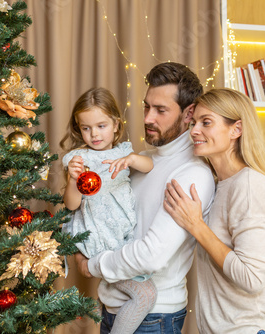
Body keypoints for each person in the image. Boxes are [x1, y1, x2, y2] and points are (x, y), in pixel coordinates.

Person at [75, 62, 216, 333]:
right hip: (113, 306)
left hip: (153, 317)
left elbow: (152, 255)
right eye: (146, 106)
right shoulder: (143, 159)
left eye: (161, 110)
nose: (148, 118)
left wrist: (91, 265)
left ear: (189, 114)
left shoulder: (191, 174)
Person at [163, 88, 265, 333]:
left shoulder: (249, 185)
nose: (194, 130)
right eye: (194, 122)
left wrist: (197, 226)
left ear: (236, 130)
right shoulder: (220, 183)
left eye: (206, 123)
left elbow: (252, 278)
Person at [60, 87, 157, 334]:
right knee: (146, 294)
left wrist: (133, 160)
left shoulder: (125, 152)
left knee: (128, 295)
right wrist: (73, 180)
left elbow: (149, 166)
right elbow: (71, 205)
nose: (94, 134)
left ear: (116, 124)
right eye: (86, 128)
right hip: (98, 237)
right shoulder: (77, 159)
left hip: (122, 236)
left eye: (101, 126)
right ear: (78, 128)